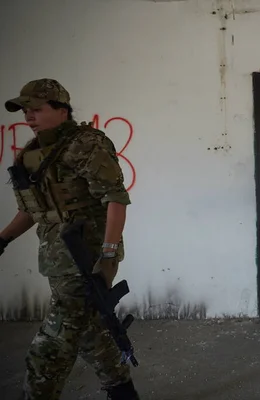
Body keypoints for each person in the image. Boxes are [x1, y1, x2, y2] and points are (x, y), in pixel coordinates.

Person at [0, 78, 140, 399]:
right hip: (55, 260)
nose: (29, 117)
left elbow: (115, 200)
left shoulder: (86, 144)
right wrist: (3, 239)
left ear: (62, 110)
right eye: (25, 111)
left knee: (49, 350)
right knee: (91, 332)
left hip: (87, 258)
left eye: (37, 109)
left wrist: (107, 255)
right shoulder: (30, 155)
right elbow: (32, 210)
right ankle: (123, 392)